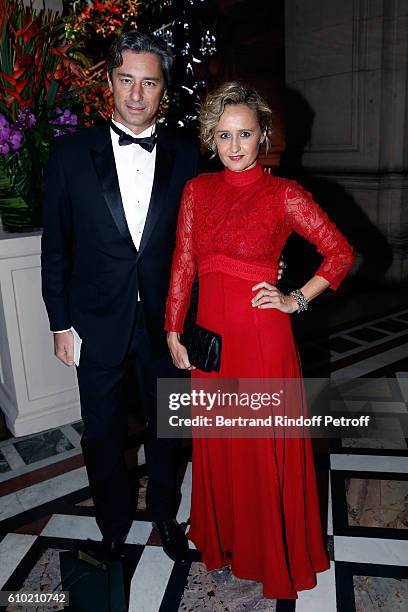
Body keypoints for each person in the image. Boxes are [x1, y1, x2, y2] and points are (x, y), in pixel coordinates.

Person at [165, 82, 355, 598]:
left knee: (261, 445)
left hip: (263, 339)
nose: (234, 145)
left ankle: (271, 553)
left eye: (245, 133)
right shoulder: (196, 191)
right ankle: (224, 542)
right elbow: (183, 261)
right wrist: (173, 325)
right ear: (210, 137)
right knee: (221, 445)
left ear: (262, 134)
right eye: (223, 135)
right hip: (211, 343)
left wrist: (297, 299)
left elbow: (339, 254)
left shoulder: (284, 194)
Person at [41, 30, 200, 563]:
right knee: (103, 435)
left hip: (169, 324)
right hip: (96, 323)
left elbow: (208, 239)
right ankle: (113, 524)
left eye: (149, 82)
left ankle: (164, 515)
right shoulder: (68, 154)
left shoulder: (188, 155)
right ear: (109, 81)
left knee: (167, 432)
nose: (136, 93)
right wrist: (59, 324)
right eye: (126, 79)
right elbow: (55, 247)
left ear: (163, 89)